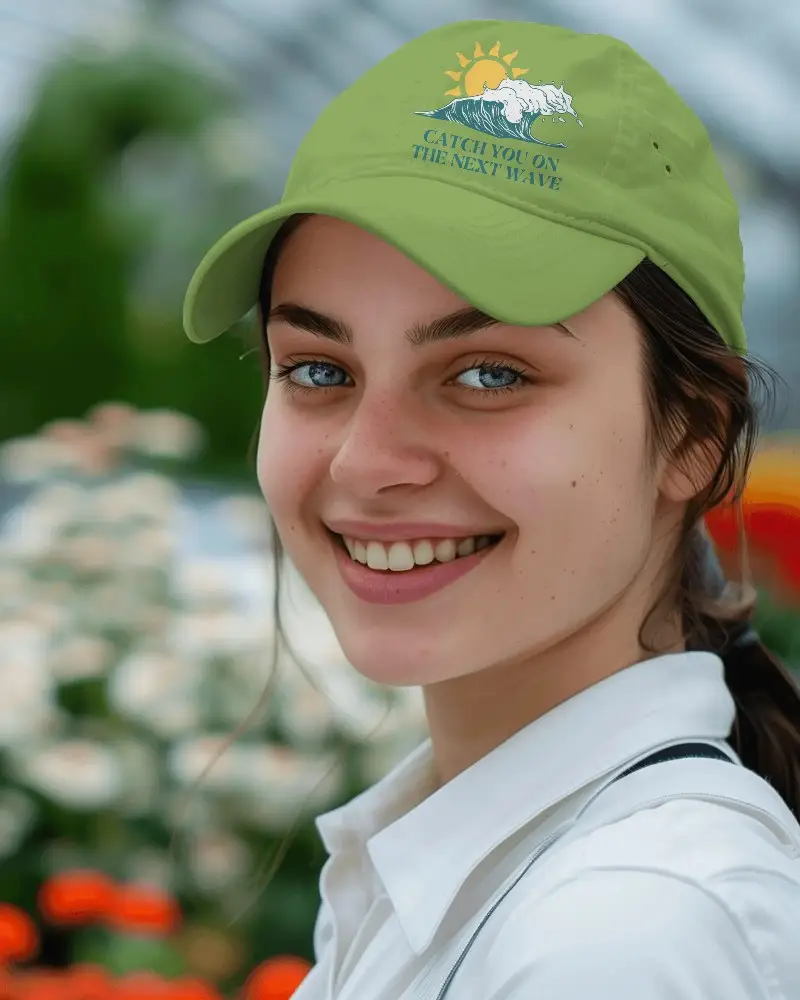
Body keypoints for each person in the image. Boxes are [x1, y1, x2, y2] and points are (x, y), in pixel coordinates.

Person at [183, 19, 800, 1000]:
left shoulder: (617, 938)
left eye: (486, 372)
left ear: (690, 434)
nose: (366, 459)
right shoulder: (487, 867)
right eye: (316, 367)